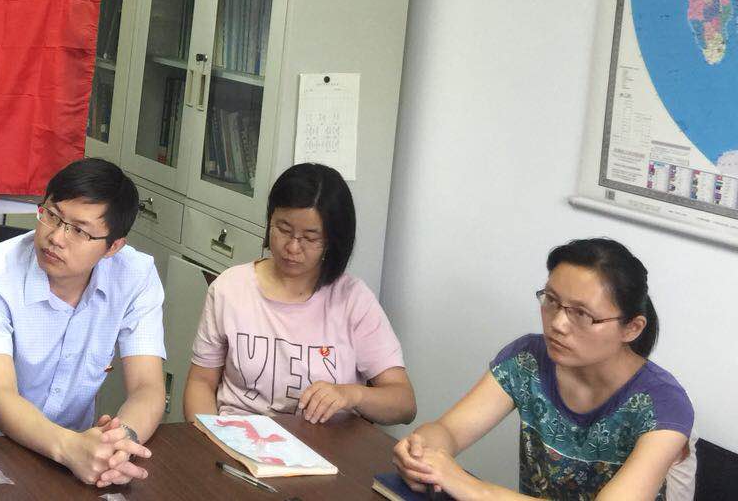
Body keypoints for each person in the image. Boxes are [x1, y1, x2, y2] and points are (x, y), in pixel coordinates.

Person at [393, 238, 693, 501]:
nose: (557, 324)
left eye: (581, 314)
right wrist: (422, 453)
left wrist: (471, 487)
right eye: (551, 300)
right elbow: (449, 431)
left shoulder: (663, 405)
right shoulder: (527, 360)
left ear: (632, 328)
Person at [0, 157, 165, 489]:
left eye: (79, 230)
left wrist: (119, 442)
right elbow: (0, 395)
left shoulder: (135, 276)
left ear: (113, 247)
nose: (56, 237)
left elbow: (147, 388)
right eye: (52, 215)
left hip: (69, 457)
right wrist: (72, 449)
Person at [184, 162, 415, 426]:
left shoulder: (353, 299)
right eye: (283, 229)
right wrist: (208, 436)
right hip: (238, 437)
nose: (292, 247)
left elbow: (404, 404)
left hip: (324, 445)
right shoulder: (230, 288)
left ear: (332, 241)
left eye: (310, 238)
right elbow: (201, 382)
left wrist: (353, 395)